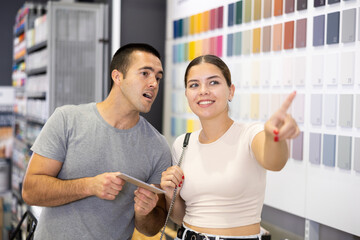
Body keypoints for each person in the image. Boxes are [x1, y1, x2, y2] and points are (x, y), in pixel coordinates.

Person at [22, 43, 172, 240]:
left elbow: (151, 228)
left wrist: (145, 212)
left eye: (158, 77)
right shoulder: (67, 120)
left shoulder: (158, 146)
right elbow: (30, 191)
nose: (154, 83)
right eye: (145, 73)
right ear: (117, 77)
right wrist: (89, 186)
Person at [160, 55, 299, 240]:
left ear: (231, 91)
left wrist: (276, 138)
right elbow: (181, 216)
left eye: (213, 82)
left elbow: (274, 162)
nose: (203, 91)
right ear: (187, 94)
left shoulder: (250, 134)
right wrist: (170, 193)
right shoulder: (182, 144)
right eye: (194, 85)